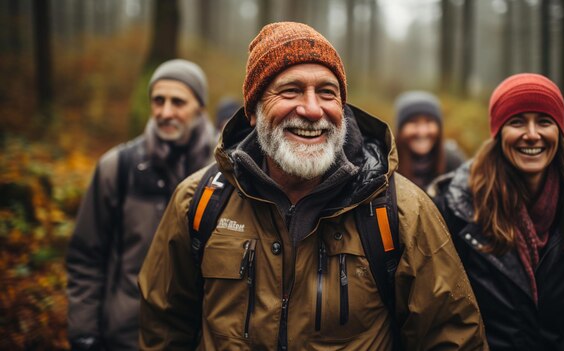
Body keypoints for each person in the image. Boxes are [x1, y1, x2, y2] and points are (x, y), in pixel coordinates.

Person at [138, 22, 487, 350]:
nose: (311, 109)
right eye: (290, 90)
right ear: (254, 110)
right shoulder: (199, 202)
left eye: (327, 92)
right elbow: (163, 329)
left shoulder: (401, 211)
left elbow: (452, 337)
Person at [430, 73, 564, 350]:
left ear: (559, 130)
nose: (532, 134)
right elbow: (437, 317)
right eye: (517, 122)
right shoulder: (457, 210)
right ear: (498, 133)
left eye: (544, 121)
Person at [66, 59, 218, 350]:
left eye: (178, 102)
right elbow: (86, 255)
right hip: (124, 335)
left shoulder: (222, 173)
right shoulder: (118, 167)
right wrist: (83, 331)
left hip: (199, 337)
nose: (165, 112)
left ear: (200, 107)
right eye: (158, 101)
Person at [394, 90, 465, 189]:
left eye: (429, 121)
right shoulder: (387, 165)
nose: (422, 132)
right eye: (414, 122)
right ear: (400, 129)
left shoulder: (453, 161)